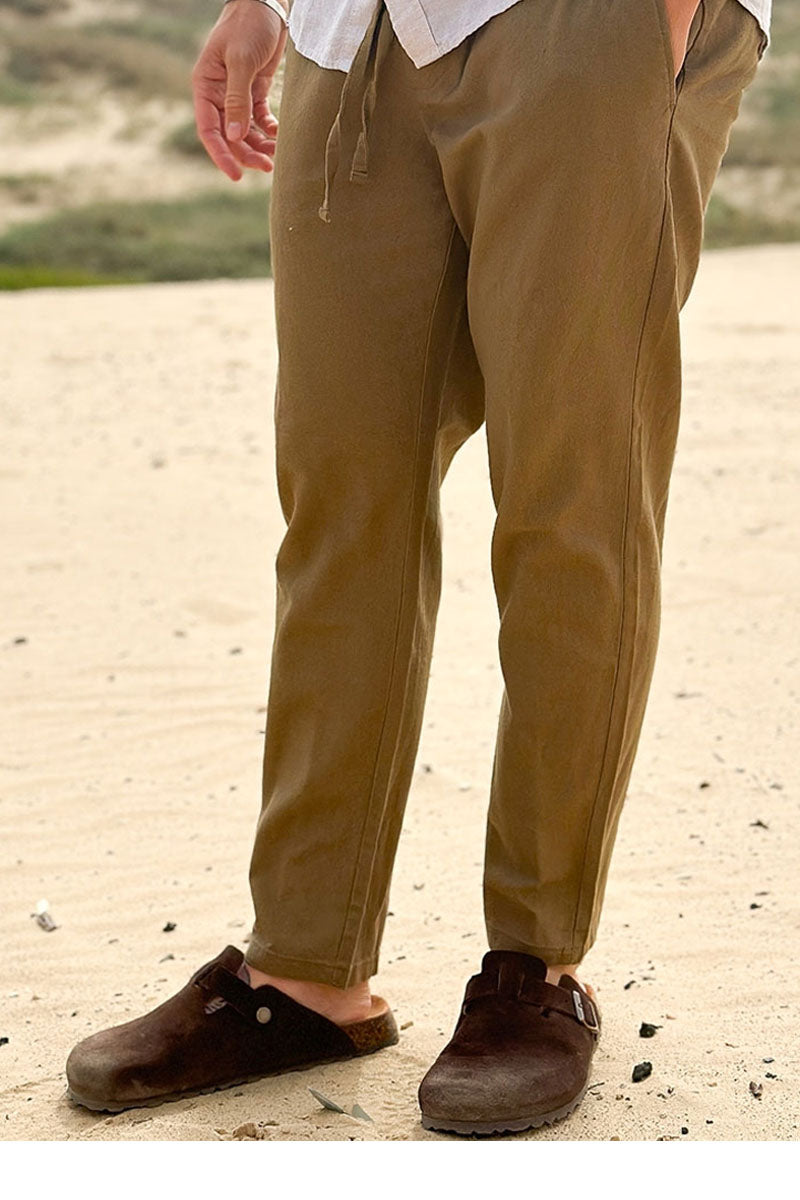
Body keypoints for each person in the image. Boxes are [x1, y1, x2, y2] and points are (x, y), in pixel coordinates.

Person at [65, 0, 770, 1136]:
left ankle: (536, 967)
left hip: (585, 28)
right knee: (340, 504)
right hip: (348, 31)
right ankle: (304, 972)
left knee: (571, 501)